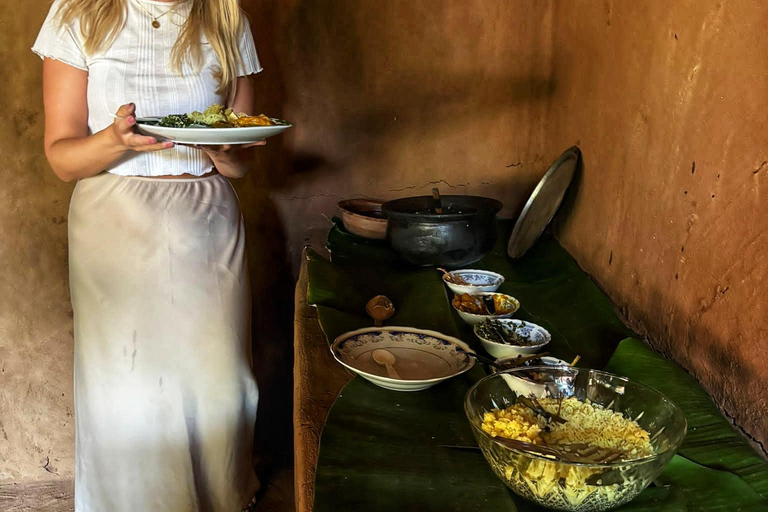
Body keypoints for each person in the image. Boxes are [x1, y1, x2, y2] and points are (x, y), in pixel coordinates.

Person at [32, 0, 264, 510]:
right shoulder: (79, 14)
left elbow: (241, 159)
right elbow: (63, 158)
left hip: (207, 218)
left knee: (219, 382)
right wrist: (115, 141)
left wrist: (228, 153)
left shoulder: (227, 18)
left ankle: (221, 501)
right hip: (113, 219)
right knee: (127, 386)